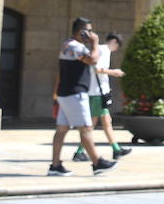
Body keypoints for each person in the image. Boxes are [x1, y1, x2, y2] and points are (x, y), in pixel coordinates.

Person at [49, 17, 118, 177]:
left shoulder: (67, 44)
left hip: (65, 92)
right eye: (89, 30)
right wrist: (95, 43)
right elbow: (93, 60)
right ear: (81, 31)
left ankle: (55, 165)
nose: (91, 34)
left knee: (61, 130)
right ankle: (97, 162)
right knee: (86, 128)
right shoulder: (75, 46)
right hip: (75, 93)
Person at [73, 31, 131, 162]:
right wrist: (114, 72)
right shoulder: (104, 50)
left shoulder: (101, 49)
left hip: (97, 92)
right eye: (118, 46)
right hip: (97, 92)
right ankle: (114, 149)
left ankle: (113, 149)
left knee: (100, 123)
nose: (116, 49)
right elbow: (97, 69)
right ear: (115, 42)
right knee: (100, 123)